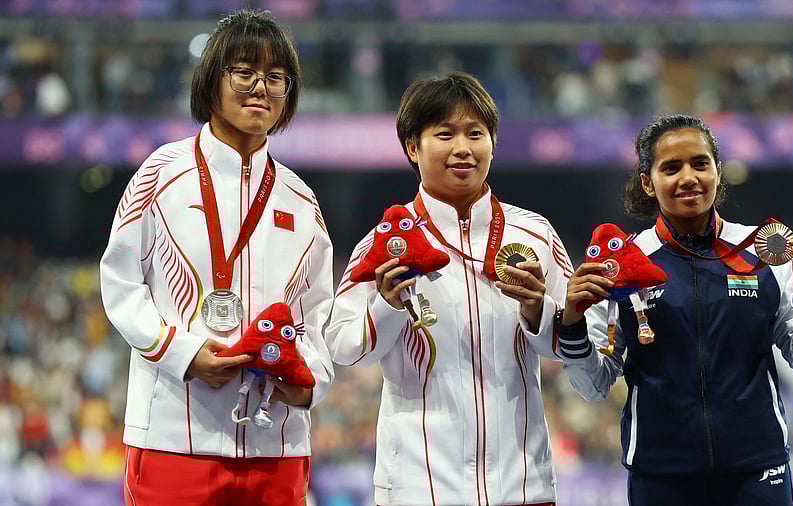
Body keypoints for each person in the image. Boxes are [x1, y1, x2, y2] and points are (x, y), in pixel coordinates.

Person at [99, 9, 334, 505]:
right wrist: (182, 354)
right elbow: (119, 282)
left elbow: (319, 316)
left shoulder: (301, 199)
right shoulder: (160, 173)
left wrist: (309, 384)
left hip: (277, 444)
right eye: (244, 72)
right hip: (172, 435)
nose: (260, 88)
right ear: (211, 82)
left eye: (275, 77)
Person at [557, 114, 793, 505]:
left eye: (700, 164)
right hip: (661, 474)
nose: (688, 177)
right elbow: (592, 385)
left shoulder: (763, 254)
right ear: (647, 182)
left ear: (718, 172)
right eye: (671, 167)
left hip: (757, 470)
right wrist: (571, 323)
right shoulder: (620, 269)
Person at [326, 71, 574, 506]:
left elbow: (574, 347)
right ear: (412, 147)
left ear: (493, 144)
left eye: (475, 133)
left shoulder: (535, 234)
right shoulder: (383, 243)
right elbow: (345, 349)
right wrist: (388, 305)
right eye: (444, 134)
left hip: (523, 485)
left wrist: (539, 313)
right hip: (418, 487)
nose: (462, 148)